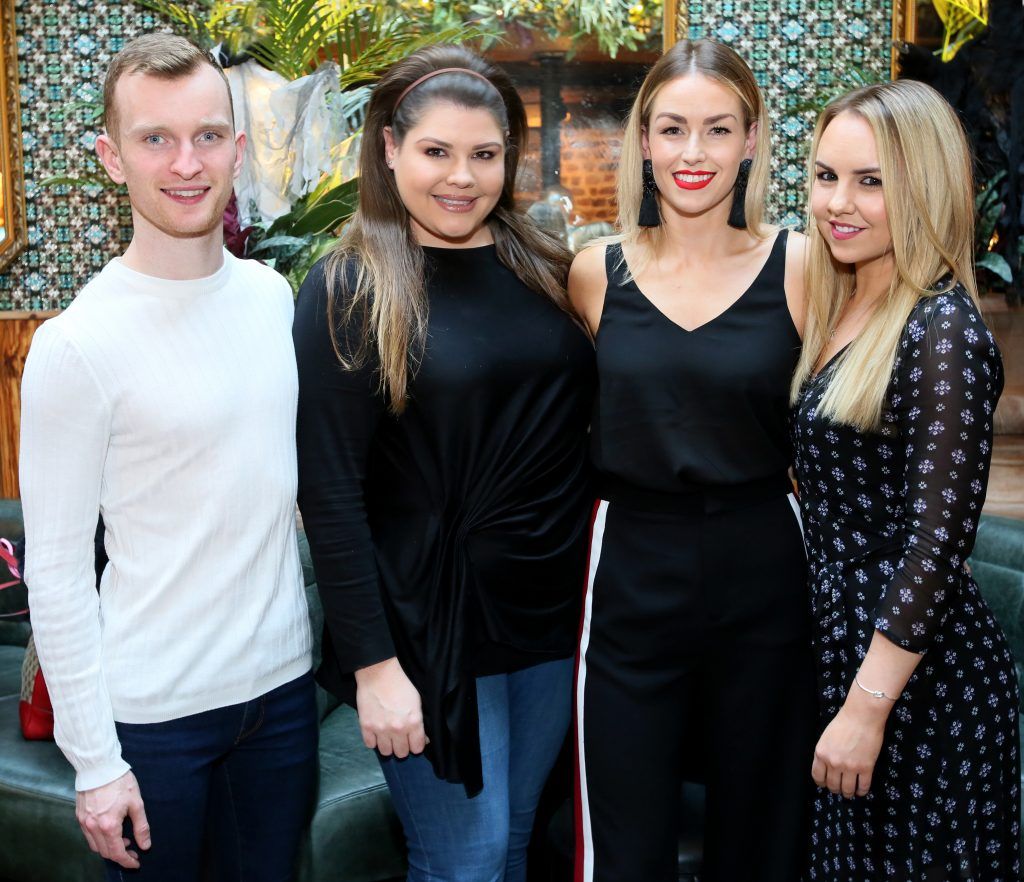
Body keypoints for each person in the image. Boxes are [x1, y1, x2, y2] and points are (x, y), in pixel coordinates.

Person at [292, 45, 595, 882]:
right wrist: (374, 668)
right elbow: (331, 494)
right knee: (462, 862)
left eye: (485, 155)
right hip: (423, 629)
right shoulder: (351, 285)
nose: (461, 178)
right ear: (391, 150)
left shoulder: (543, 268)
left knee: (515, 842)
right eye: (436, 152)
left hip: (545, 616)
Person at [19, 34, 316, 880]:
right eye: (155, 139)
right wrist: (96, 763)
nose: (187, 164)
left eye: (207, 136)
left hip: (283, 699)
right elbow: (61, 573)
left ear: (239, 148)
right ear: (112, 158)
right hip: (155, 723)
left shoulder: (270, 297)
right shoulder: (76, 344)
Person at [569, 39, 813, 882]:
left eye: (717, 129)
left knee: (764, 819)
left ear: (751, 140)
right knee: (626, 829)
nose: (693, 153)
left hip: (764, 557)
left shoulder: (804, 267)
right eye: (672, 129)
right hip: (634, 557)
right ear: (643, 140)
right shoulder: (593, 274)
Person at [790, 78, 1021, 881]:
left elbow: (936, 545)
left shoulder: (943, 325)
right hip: (847, 655)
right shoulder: (844, 300)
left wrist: (866, 709)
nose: (837, 203)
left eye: (870, 181)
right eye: (825, 176)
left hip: (917, 684)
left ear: (920, 187)